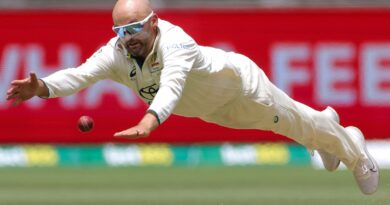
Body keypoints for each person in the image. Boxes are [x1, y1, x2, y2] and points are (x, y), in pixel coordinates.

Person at [6, 0, 379, 195]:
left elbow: (172, 85)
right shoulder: (117, 52)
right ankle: (326, 128)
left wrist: (149, 120)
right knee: (295, 127)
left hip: (241, 87)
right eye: (120, 30)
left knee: (293, 121)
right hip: (212, 111)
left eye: (134, 27)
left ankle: (357, 154)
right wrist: (43, 88)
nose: (127, 36)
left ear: (153, 22)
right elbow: (81, 74)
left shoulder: (176, 41)